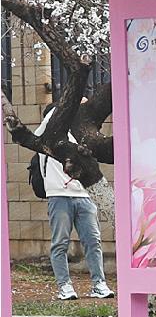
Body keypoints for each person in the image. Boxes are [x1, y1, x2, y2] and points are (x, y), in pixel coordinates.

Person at [37, 108, 110, 301]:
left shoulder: (76, 136)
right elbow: (52, 116)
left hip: (84, 196)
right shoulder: (43, 137)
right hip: (59, 196)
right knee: (60, 242)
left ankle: (99, 284)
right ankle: (64, 286)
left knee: (93, 241)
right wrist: (73, 100)